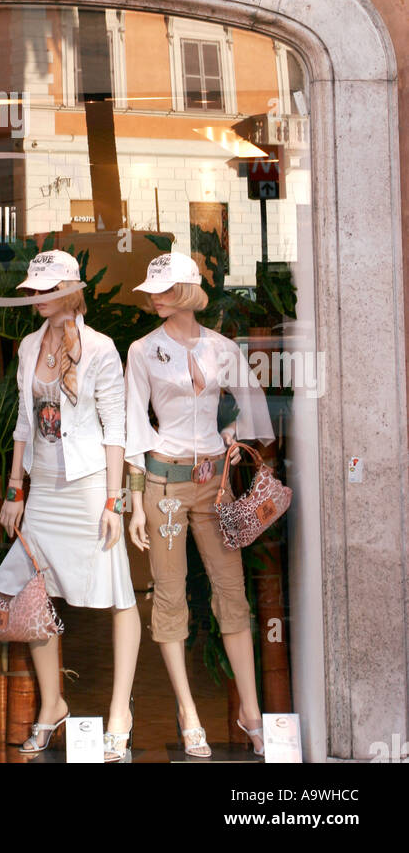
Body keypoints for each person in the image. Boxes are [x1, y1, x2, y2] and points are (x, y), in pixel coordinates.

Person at [124, 251, 275, 758]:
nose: (155, 297)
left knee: (231, 591)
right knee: (169, 597)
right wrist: (135, 500)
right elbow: (133, 425)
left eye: (165, 289)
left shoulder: (221, 348)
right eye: (153, 290)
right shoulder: (143, 350)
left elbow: (249, 401)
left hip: (215, 484)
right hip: (163, 484)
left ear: (187, 292)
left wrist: (231, 434)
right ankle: (188, 710)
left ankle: (250, 710)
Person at [0, 250, 140, 762]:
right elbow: (23, 421)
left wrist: (113, 500)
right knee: (32, 595)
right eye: (33, 289)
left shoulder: (100, 348)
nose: (34, 297)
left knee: (118, 592)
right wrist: (15, 488)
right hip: (45, 488)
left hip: (88, 487)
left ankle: (119, 714)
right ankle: (52, 703)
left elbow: (116, 429)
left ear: (67, 291)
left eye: (44, 289)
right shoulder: (28, 346)